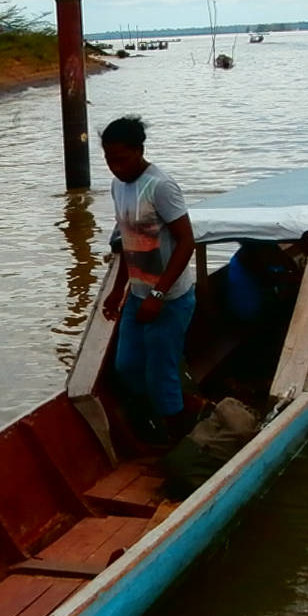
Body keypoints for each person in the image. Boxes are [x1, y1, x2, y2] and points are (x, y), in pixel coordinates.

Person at [99, 116, 198, 442]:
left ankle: (178, 442)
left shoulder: (160, 186)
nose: (115, 167)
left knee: (161, 376)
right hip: (138, 296)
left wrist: (158, 295)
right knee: (126, 366)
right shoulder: (118, 186)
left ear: (139, 151)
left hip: (169, 300)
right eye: (109, 160)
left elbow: (186, 241)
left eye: (121, 159)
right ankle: (168, 412)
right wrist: (117, 291)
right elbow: (131, 242)